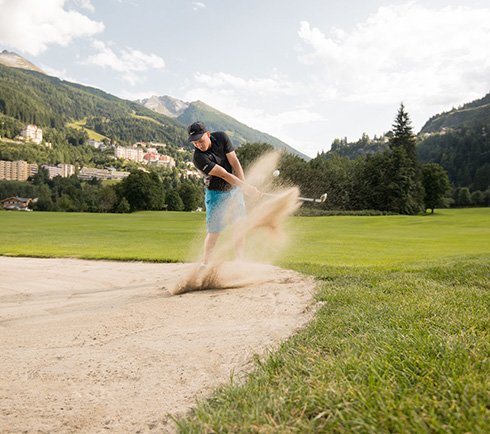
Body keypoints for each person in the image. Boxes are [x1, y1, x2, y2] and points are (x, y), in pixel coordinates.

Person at [188, 121, 260, 266]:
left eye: (200, 140)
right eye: (194, 142)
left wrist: (244, 185)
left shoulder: (221, 138)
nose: (198, 145)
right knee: (214, 232)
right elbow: (224, 175)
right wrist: (246, 187)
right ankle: (205, 264)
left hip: (234, 191)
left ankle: (240, 261)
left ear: (208, 134)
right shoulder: (198, 158)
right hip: (215, 195)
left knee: (239, 226)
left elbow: (234, 162)